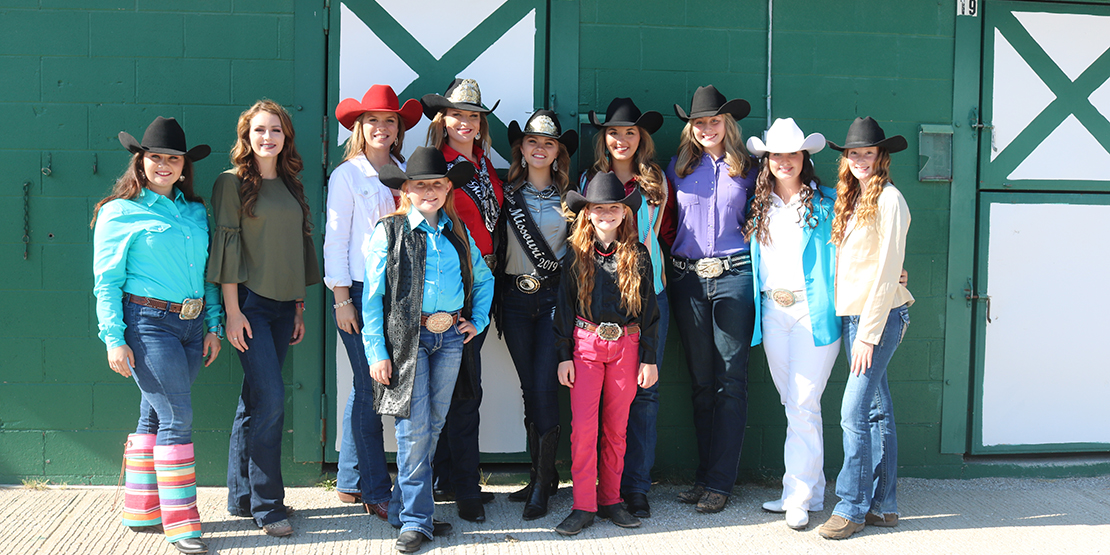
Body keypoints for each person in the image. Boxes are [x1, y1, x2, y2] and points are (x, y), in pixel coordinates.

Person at [92, 116, 221, 554]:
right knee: (176, 418)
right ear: (140, 162)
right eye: (155, 158)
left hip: (191, 325)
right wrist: (113, 337)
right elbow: (106, 281)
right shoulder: (118, 212)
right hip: (147, 324)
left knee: (154, 414)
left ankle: (142, 507)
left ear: (184, 165)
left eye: (173, 158)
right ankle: (183, 524)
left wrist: (213, 325)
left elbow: (207, 276)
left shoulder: (196, 212)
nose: (164, 165)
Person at [363, 146, 493, 553]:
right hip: (409, 339)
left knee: (434, 424)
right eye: (421, 185)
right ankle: (418, 521)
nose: (430, 192)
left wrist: (480, 320)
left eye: (437, 184)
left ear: (447, 188)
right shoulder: (389, 231)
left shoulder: (456, 232)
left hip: (450, 336)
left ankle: (405, 510)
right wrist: (376, 352)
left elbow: (485, 279)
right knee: (413, 428)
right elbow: (372, 298)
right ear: (407, 190)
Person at [208, 100, 321, 538]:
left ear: (285, 136)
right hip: (250, 306)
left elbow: (293, 249)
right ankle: (269, 506)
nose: (267, 137)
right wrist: (233, 313)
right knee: (271, 400)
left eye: (275, 129)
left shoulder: (292, 184)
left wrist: (296, 306)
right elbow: (228, 250)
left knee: (253, 401)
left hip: (281, 308)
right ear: (246, 136)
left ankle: (241, 496)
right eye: (259, 130)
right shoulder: (231, 183)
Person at [325, 85, 422, 519]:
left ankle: (349, 478)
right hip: (362, 292)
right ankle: (374, 489)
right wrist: (341, 297)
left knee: (368, 386)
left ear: (399, 129)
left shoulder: (405, 171)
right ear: (359, 128)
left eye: (390, 121)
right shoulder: (347, 175)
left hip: (398, 293)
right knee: (371, 389)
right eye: (373, 121)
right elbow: (336, 240)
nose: (382, 128)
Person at [817, 116, 914, 540]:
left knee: (851, 412)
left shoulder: (890, 199)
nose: (859, 159)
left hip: (878, 319)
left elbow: (888, 269)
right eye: (853, 153)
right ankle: (884, 506)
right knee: (876, 409)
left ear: (881, 156)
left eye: (867, 153)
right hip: (856, 315)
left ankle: (852, 508)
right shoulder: (853, 198)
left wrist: (869, 335)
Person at [664, 85, 757, 514]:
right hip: (688, 279)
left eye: (713, 121)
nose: (706, 128)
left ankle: (721, 482)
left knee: (729, 382)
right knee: (702, 383)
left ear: (727, 124)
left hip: (735, 277)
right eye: (699, 122)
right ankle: (704, 477)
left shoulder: (751, 169)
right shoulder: (677, 167)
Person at [744, 118, 840, 529]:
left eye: (792, 153)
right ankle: (811, 490)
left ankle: (796, 496)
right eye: (776, 154)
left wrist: (895, 271)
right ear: (767, 161)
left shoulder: (827, 202)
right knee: (796, 404)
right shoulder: (758, 204)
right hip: (772, 311)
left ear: (804, 158)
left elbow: (862, 245)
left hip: (813, 312)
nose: (784, 161)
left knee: (802, 402)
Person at [552, 172, 660, 536]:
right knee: (583, 429)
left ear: (624, 212)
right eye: (598, 208)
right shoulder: (575, 253)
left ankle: (610, 499)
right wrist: (564, 354)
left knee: (616, 429)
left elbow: (650, 311)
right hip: (585, 346)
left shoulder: (638, 254)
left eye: (613, 207)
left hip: (626, 347)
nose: (606, 214)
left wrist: (649, 357)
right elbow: (564, 307)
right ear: (588, 212)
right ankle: (583, 504)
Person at [582, 97, 672, 518]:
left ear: (642, 138)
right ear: (604, 137)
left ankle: (634, 486)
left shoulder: (656, 181)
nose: (621, 139)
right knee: (598, 403)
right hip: (601, 302)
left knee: (644, 395)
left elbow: (667, 232)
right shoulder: (590, 180)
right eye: (614, 132)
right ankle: (598, 489)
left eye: (630, 132)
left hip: (647, 293)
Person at [421, 78, 501, 522]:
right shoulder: (439, 167)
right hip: (455, 280)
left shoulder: (484, 163)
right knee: (460, 390)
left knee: (462, 386)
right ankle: (463, 486)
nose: (465, 122)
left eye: (473, 115)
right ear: (443, 120)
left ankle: (451, 476)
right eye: (457, 115)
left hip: (484, 277)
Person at [495, 110, 577, 520]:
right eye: (531, 142)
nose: (539, 148)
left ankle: (546, 483)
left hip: (551, 303)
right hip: (512, 301)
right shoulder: (505, 193)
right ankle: (539, 474)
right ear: (522, 149)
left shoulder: (571, 198)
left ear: (557, 151)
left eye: (548, 143)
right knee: (531, 388)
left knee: (545, 389)